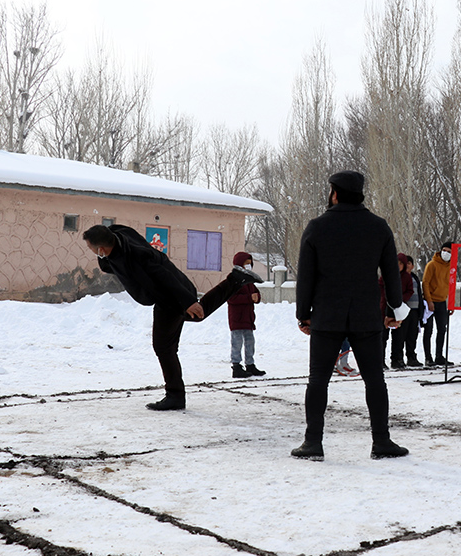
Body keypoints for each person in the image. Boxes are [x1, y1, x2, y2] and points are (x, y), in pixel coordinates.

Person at [292, 171, 410, 461]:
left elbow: (305, 276)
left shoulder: (317, 227)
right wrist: (396, 308)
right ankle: (381, 442)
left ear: (334, 193)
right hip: (366, 315)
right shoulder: (378, 227)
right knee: (375, 380)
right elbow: (391, 274)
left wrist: (303, 314)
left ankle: (313, 443)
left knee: (318, 379)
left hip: (327, 314)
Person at [83, 223, 259, 411]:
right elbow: (112, 251)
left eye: (92, 248)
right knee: (193, 321)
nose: (91, 251)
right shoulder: (119, 234)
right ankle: (236, 280)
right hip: (169, 294)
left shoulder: (135, 257)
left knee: (164, 346)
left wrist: (186, 301)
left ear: (101, 248)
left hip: (169, 296)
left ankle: (175, 396)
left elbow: (162, 275)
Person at [227, 251, 265, 378]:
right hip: (237, 318)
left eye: (250, 263)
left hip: (248, 319)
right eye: (246, 263)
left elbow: (256, 294)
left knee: (250, 342)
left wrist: (256, 297)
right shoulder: (233, 279)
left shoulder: (249, 280)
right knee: (236, 343)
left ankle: (250, 365)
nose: (248, 266)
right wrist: (249, 298)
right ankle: (236, 367)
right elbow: (231, 298)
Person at [422, 241, 453, 366]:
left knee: (442, 329)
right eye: (444, 250)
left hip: (442, 302)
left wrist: (451, 303)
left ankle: (439, 356)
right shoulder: (432, 265)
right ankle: (428, 358)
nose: (446, 253)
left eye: (449, 252)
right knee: (428, 330)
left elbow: (451, 284)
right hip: (430, 302)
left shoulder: (451, 267)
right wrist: (429, 300)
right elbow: (425, 283)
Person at [399, 254, 424, 367]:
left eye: (409, 264)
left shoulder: (414, 278)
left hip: (414, 311)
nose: (407, 266)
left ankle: (411, 357)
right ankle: (398, 359)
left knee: (412, 336)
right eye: (405, 264)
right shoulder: (399, 277)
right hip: (403, 311)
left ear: (412, 266)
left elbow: (418, 293)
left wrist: (420, 311)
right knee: (400, 336)